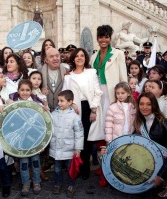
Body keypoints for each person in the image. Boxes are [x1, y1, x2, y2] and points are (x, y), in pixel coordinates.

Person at [134, 92, 167, 198]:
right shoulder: (140, 122)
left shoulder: (165, 124)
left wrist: (161, 176)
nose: (144, 107)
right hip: (152, 159)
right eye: (141, 104)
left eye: (148, 104)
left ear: (154, 105)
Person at [62, 48, 103, 180]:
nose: (79, 58)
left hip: (88, 109)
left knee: (86, 140)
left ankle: (85, 168)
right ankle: (76, 168)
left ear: (85, 58)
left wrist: (94, 110)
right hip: (74, 110)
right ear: (73, 59)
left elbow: (98, 92)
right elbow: (65, 93)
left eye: (82, 56)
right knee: (76, 139)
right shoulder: (68, 76)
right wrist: (71, 103)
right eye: (77, 56)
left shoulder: (91, 73)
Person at [7, 79, 47, 196]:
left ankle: (36, 182)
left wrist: (43, 143)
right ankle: (25, 183)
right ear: (18, 90)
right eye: (22, 90)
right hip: (21, 140)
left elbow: (45, 124)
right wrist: (3, 107)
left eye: (27, 90)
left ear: (31, 91)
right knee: (23, 163)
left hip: (34, 140)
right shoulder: (12, 103)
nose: (25, 92)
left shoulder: (37, 104)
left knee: (35, 162)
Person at [50, 90, 84, 198]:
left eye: (62, 101)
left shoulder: (75, 117)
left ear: (70, 102)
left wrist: (78, 149)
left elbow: (79, 133)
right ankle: (58, 184)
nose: (59, 103)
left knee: (71, 169)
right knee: (57, 169)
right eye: (58, 101)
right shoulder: (53, 114)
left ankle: (71, 185)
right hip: (56, 148)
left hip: (69, 148)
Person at [90, 25, 127, 122]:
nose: (103, 40)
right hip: (97, 91)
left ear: (110, 39)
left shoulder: (118, 54)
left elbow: (123, 77)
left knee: (110, 117)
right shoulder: (93, 57)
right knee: (99, 118)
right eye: (101, 37)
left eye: (106, 37)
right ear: (97, 39)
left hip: (111, 90)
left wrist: (124, 94)